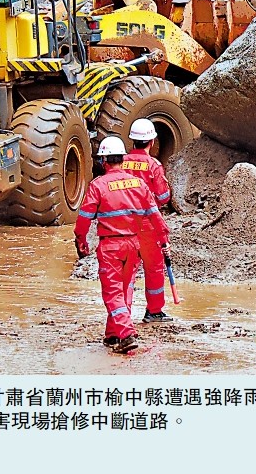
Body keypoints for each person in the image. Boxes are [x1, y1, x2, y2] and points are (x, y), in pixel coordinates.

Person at [75, 136, 162, 354]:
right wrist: (163, 237)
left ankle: (126, 333)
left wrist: (81, 240)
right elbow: (155, 215)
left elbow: (84, 219)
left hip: (111, 247)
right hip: (134, 244)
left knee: (112, 293)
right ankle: (112, 334)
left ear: (103, 161)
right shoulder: (138, 183)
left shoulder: (98, 186)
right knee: (125, 290)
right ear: (122, 160)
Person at [121, 118, 173, 323]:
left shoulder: (120, 162)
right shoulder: (154, 165)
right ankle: (154, 311)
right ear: (152, 141)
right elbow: (162, 197)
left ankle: (123, 313)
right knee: (154, 268)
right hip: (149, 224)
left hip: (125, 224)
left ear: (133, 140)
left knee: (127, 270)